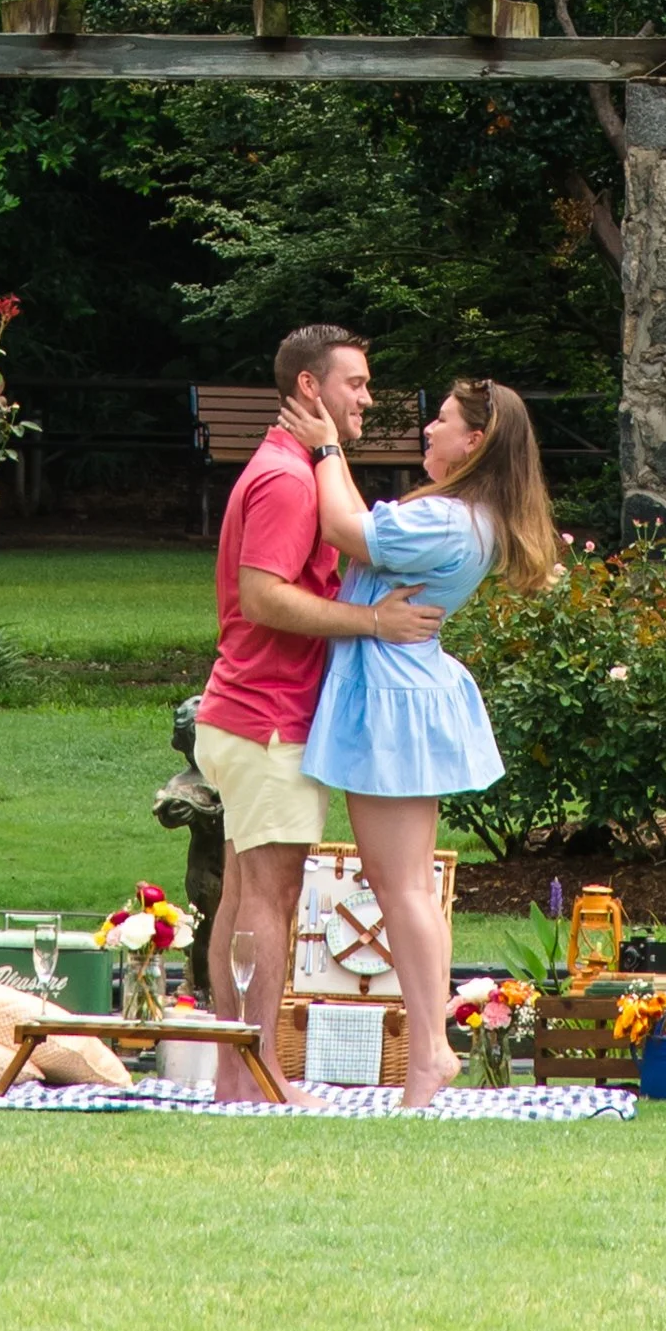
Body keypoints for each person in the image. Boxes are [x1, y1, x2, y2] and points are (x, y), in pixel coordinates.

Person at [288, 375, 561, 1105]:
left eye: (439, 420)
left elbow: (346, 530)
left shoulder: (448, 517)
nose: (426, 430)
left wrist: (324, 445)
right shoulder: (460, 513)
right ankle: (431, 1051)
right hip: (402, 694)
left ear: (475, 440)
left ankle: (429, 1054)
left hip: (394, 703)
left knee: (403, 887)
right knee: (406, 887)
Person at [193, 324, 442, 1096]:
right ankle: (260, 1073)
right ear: (311, 386)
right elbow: (265, 595)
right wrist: (375, 622)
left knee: (242, 892)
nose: (367, 397)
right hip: (267, 716)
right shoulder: (288, 480)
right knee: (270, 896)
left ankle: (238, 1074)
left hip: (248, 714)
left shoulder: (295, 468)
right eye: (356, 383)